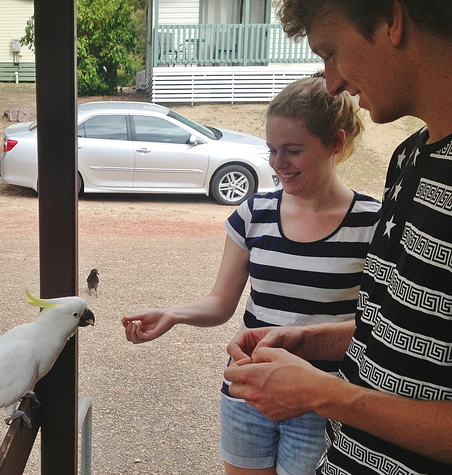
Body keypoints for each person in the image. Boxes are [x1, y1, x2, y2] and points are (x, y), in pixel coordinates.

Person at [224, 1, 452, 473]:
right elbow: (398, 333)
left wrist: (325, 395)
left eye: (330, 52)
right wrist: (308, 342)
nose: (332, 83)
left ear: (393, 19)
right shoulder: (411, 157)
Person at [122, 74, 382, 475]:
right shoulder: (254, 212)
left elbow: (373, 327)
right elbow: (221, 303)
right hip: (247, 391)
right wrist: (173, 314)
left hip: (318, 403)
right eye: (271, 150)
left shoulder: (373, 223)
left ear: (337, 143)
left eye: (292, 150)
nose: (278, 164)